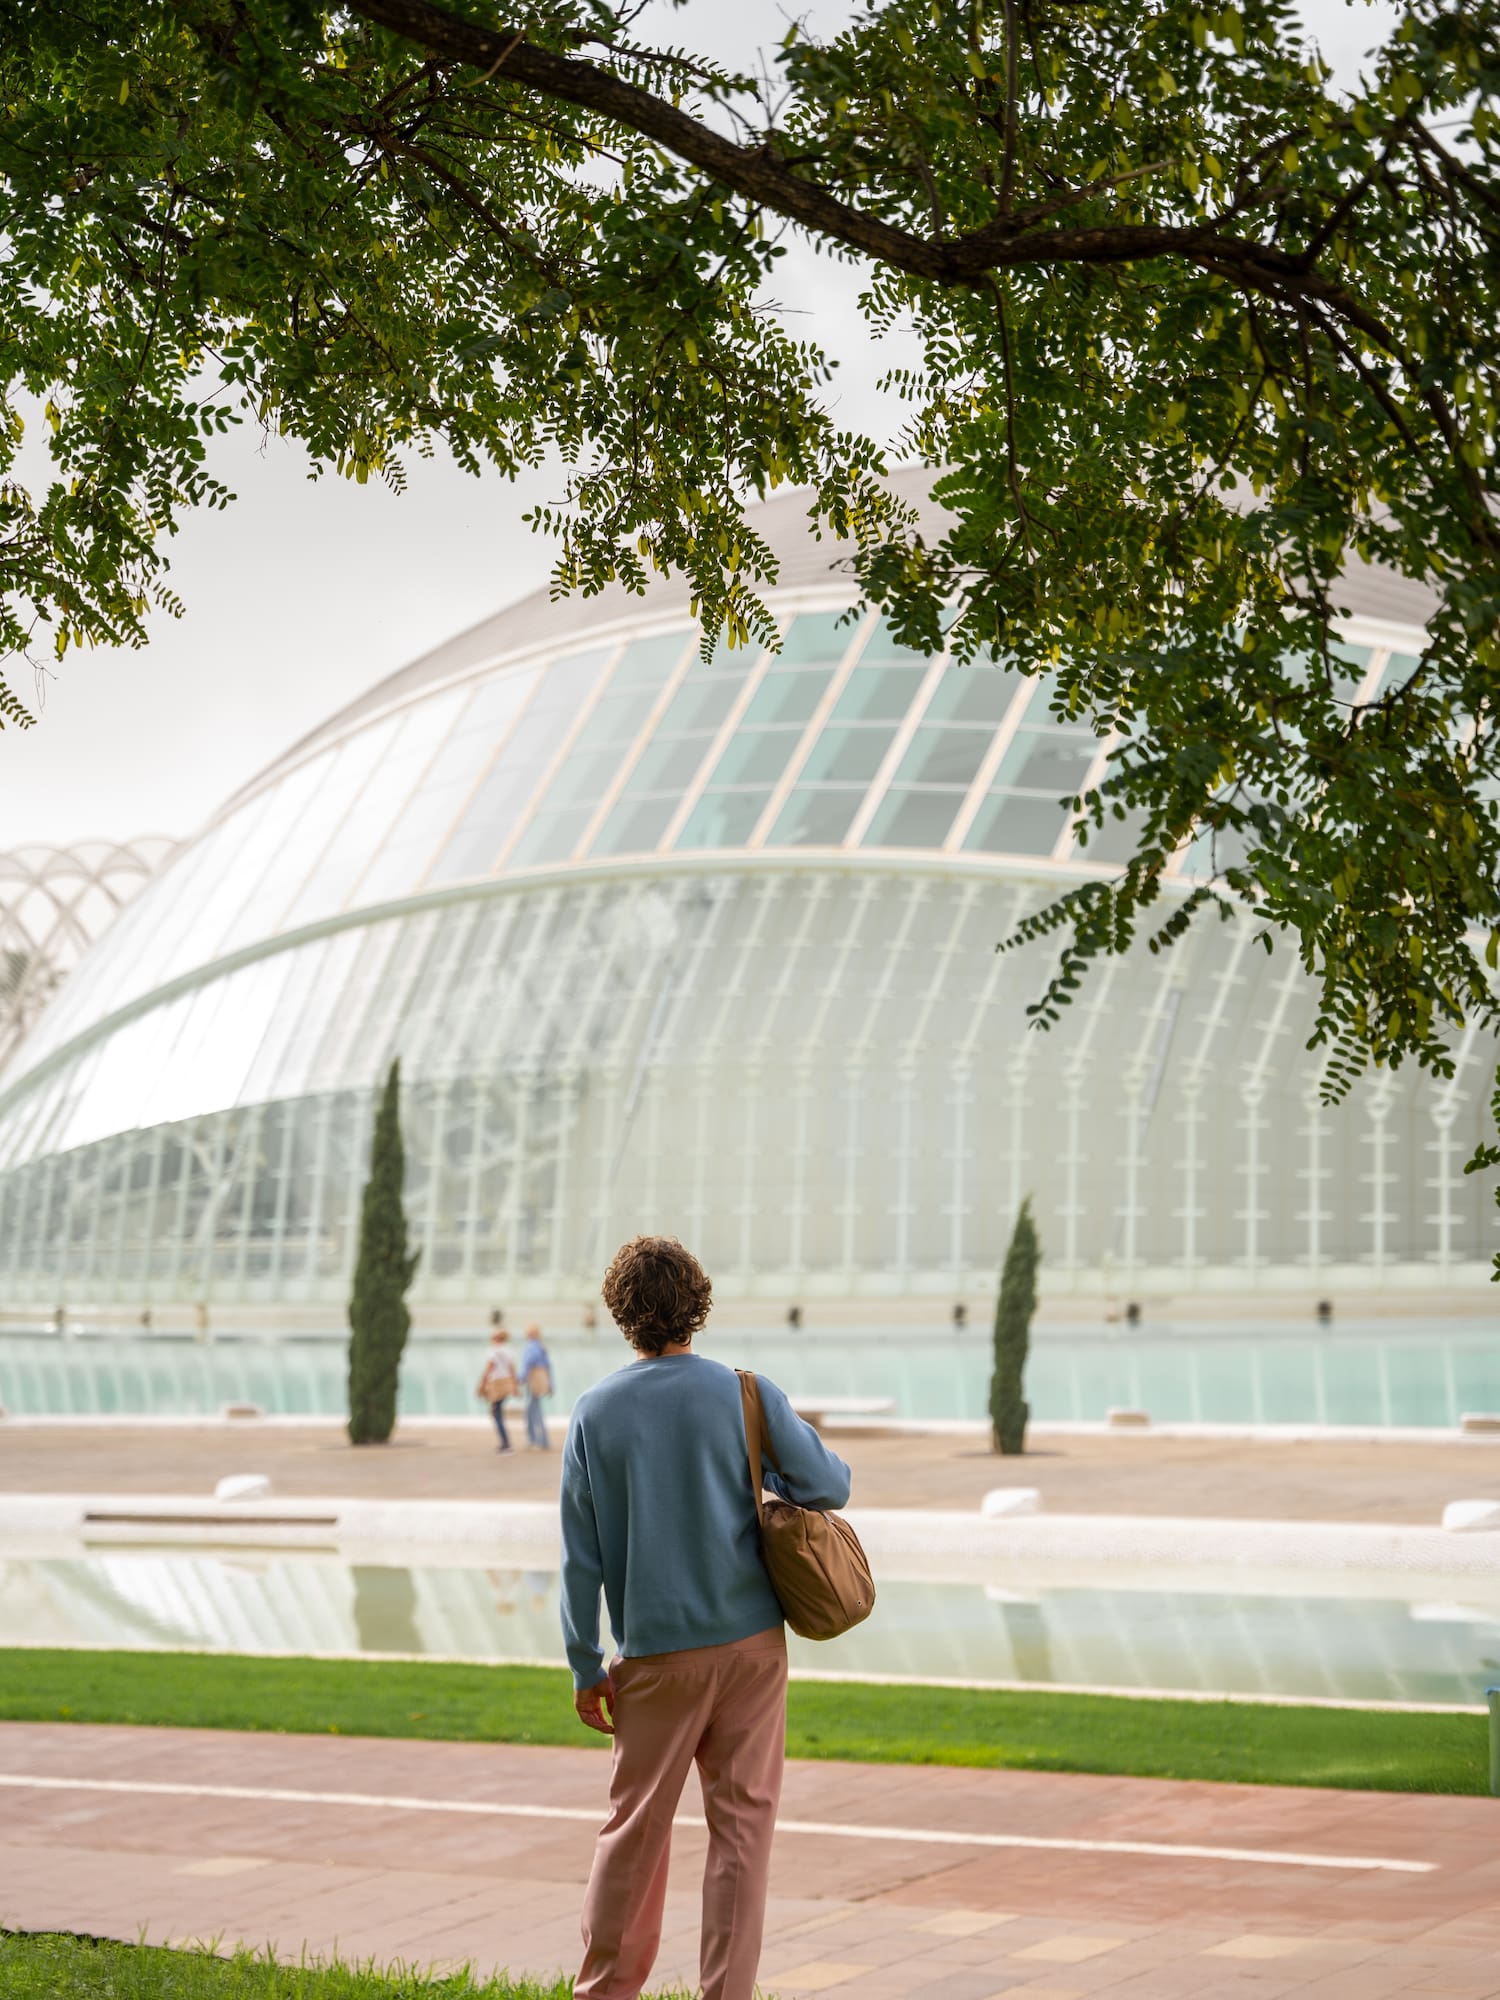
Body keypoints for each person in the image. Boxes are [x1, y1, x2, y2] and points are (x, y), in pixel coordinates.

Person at [560, 1234, 851, 2000]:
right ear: (698, 1303)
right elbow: (829, 1486)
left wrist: (586, 1666)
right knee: (742, 1840)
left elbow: (579, 1559)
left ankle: (606, 1991)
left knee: (634, 1838)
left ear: (622, 1313)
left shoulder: (595, 1412)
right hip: (752, 1650)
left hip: (655, 1662)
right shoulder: (745, 1391)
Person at [476, 1322, 519, 1452]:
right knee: (498, 1411)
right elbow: (512, 1369)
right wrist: (515, 1386)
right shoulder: (509, 1350)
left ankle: (505, 1443)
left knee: (497, 1413)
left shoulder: (493, 1351)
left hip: (495, 1384)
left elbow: (490, 1368)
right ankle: (505, 1442)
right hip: (506, 1384)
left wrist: (482, 1383)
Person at [521, 1322, 553, 1449]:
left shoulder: (530, 1347)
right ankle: (541, 1440)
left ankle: (536, 1440)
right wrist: (550, 1384)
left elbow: (528, 1363)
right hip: (541, 1381)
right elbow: (548, 1366)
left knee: (532, 1411)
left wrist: (521, 1378)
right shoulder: (541, 1347)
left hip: (532, 1381)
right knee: (535, 1410)